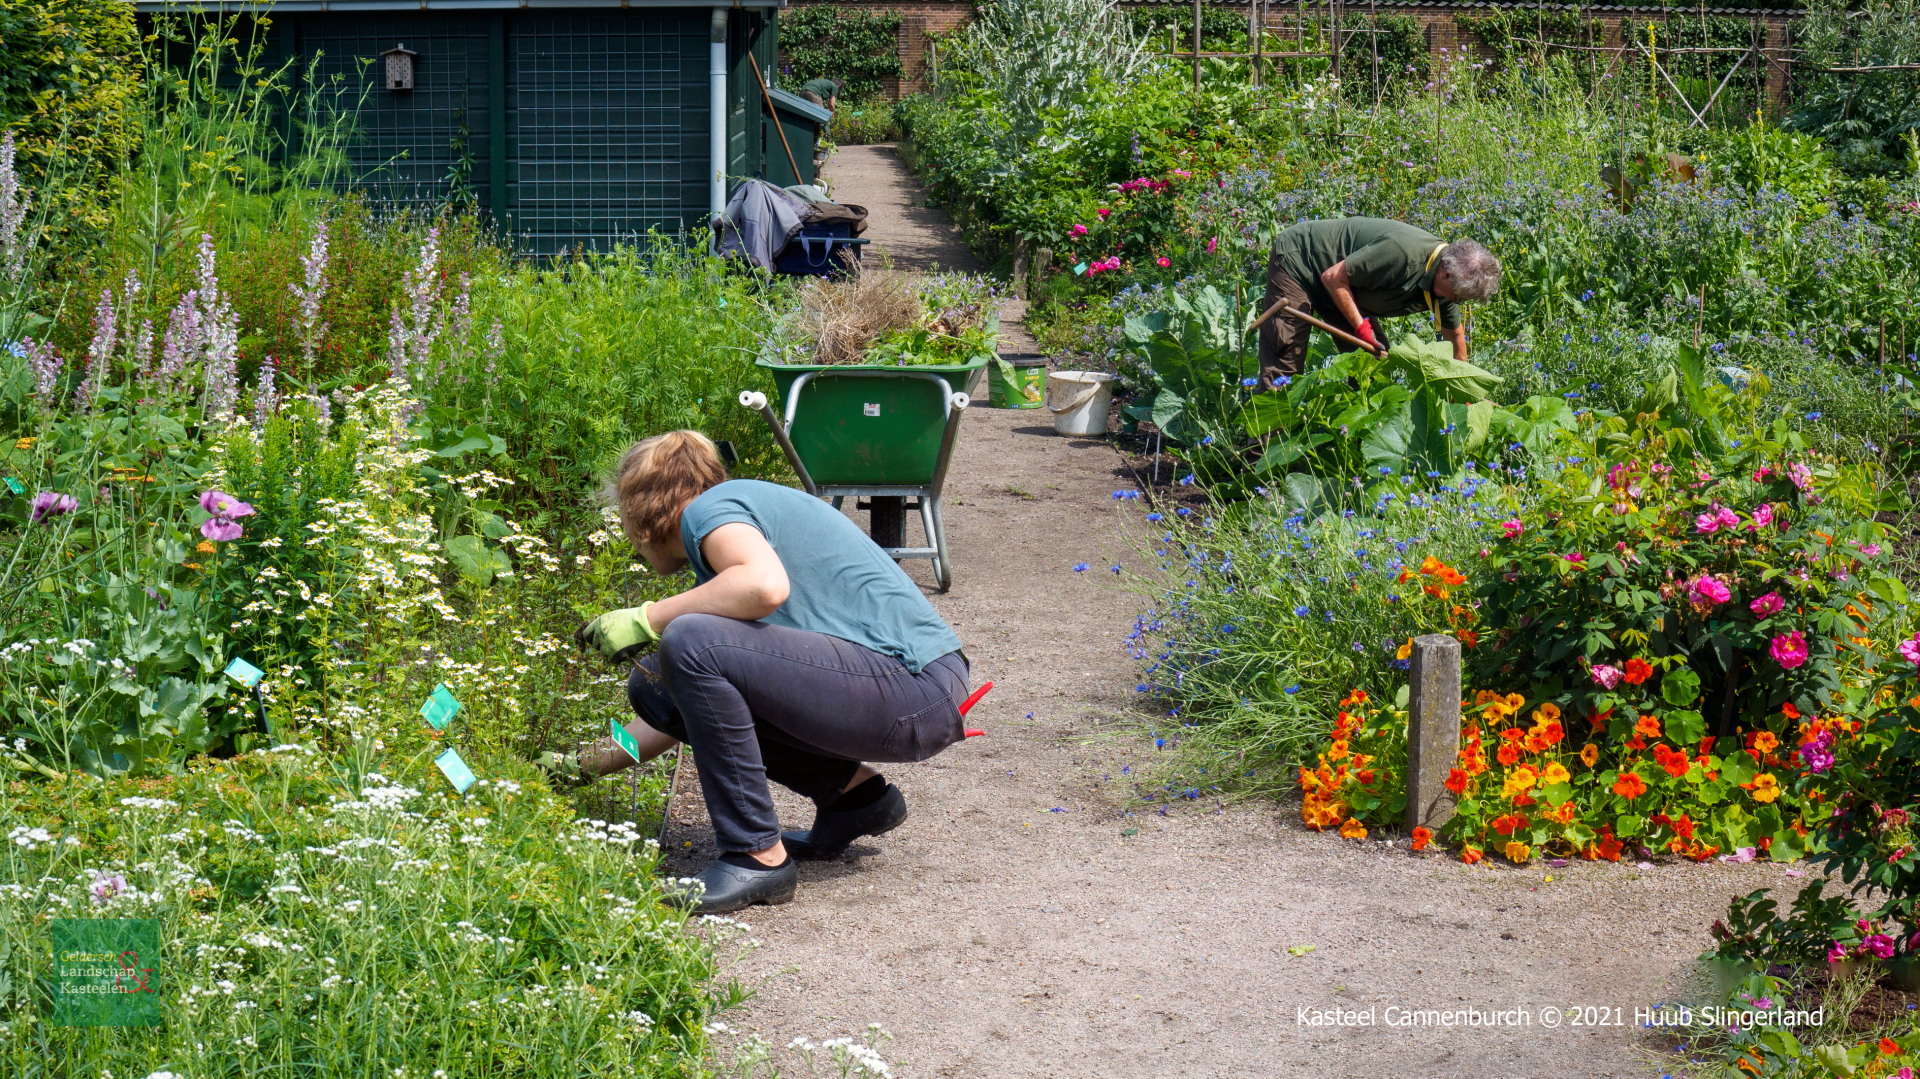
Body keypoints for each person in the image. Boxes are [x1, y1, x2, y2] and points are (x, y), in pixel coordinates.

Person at [541, 431, 972, 915]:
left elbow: (764, 587)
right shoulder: (733, 525)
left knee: (688, 638)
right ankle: (853, 798)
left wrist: (647, 617)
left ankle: (756, 857)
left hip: (912, 689)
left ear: (639, 513)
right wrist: (579, 766)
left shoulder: (712, 510)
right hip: (915, 693)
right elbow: (684, 710)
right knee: (657, 683)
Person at [1258, 217, 1502, 387]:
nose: (1458, 301)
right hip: (1302, 262)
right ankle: (1265, 445)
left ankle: (1351, 437)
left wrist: (1463, 386)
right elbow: (1333, 277)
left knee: (1373, 362)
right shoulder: (1402, 254)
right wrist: (1362, 329)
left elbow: (1455, 337)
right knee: (1285, 358)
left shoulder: (1446, 288)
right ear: (1446, 274)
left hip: (1342, 287)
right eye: (1459, 296)